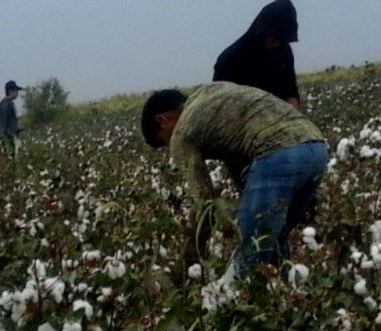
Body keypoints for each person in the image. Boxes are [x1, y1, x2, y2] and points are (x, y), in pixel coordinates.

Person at [141, 82, 328, 275]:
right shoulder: (212, 94)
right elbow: (237, 159)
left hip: (278, 153)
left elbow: (204, 203)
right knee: (274, 242)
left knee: (252, 253)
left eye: (164, 141)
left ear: (163, 119)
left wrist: (189, 258)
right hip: (317, 148)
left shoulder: (182, 132)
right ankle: (283, 294)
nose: (170, 148)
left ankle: (241, 298)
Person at [213, 0, 301, 108]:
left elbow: (290, 91)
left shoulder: (284, 53)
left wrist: (291, 107)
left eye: (282, 39)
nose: (276, 43)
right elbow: (218, 107)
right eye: (273, 37)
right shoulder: (228, 61)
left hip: (279, 119)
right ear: (261, 31)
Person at [0, 80, 24, 158]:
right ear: (10, 91)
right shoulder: (8, 104)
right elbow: (4, 123)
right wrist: (16, 128)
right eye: (16, 91)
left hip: (6, 136)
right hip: (9, 137)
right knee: (12, 157)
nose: (17, 93)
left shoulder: (3, 103)